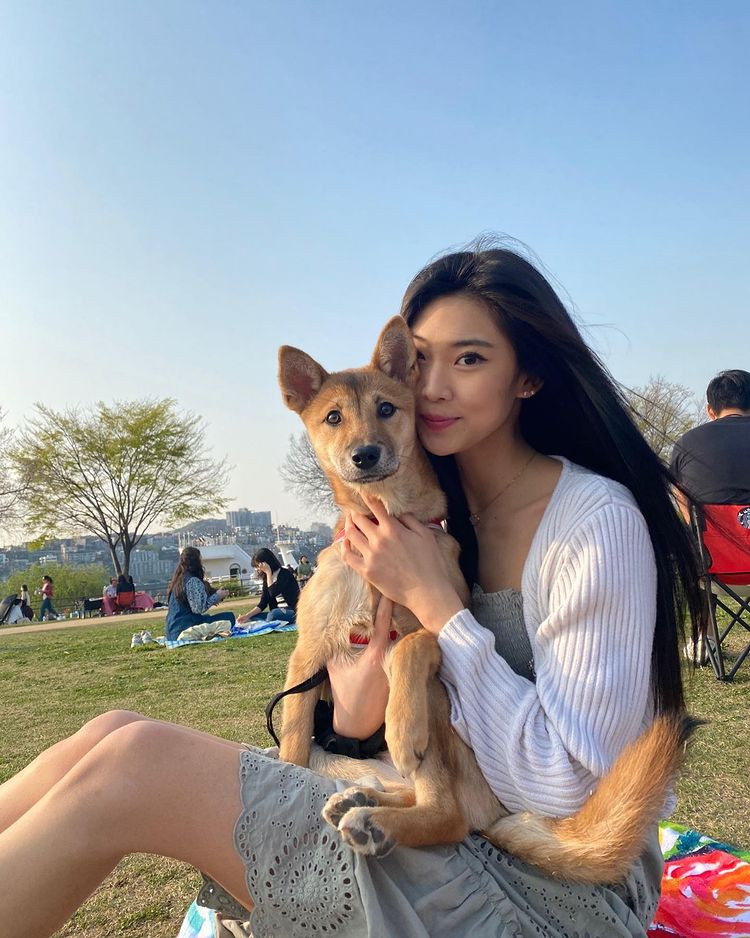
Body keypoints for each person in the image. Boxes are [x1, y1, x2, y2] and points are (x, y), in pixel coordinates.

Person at [0, 242, 701, 938]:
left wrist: (439, 610)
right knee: (110, 732)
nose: (429, 386)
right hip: (424, 804)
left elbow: (574, 789)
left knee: (134, 765)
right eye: (419, 360)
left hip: (548, 883)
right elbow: (369, 716)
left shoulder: (592, 523)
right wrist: (360, 694)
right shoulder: (425, 509)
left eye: (469, 359)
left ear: (529, 376)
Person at [670, 369, 750, 522]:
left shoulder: (687, 442)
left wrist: (695, 527)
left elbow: (678, 490)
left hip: (712, 536)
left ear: (710, 411)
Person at [164, 546, 235, 642]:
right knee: (229, 617)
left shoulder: (178, 581)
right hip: (185, 628)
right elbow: (198, 609)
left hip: (173, 630)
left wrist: (213, 598)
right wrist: (217, 596)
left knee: (212, 619)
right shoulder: (192, 580)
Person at [236, 548, 299, 625]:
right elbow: (263, 603)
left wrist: (268, 572)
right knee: (254, 616)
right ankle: (265, 622)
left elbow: (273, 592)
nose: (257, 569)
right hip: (277, 611)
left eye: (258, 566)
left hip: (291, 611)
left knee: (273, 614)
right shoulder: (266, 579)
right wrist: (247, 616)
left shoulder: (285, 574)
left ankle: (264, 623)